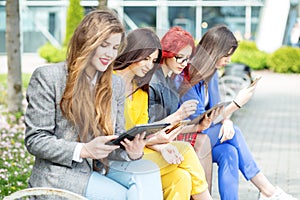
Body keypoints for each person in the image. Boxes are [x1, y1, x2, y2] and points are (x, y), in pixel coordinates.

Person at [24, 10, 163, 200]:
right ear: (86, 42)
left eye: (114, 48)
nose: (109, 54)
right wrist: (84, 150)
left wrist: (132, 151)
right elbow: (36, 140)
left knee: (149, 173)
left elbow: (117, 139)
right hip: (61, 174)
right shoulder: (49, 77)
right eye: (104, 45)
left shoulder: (115, 84)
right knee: (125, 196)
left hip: (102, 168)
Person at [180, 24, 297, 200]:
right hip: (187, 136)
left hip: (205, 135)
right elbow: (199, 120)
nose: (229, 60)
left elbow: (216, 109)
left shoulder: (211, 73)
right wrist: (237, 103)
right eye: (227, 55)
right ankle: (268, 191)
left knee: (230, 152)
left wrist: (226, 121)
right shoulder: (187, 75)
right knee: (237, 133)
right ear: (214, 50)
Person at [113, 27, 212, 200]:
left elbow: (144, 131)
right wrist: (161, 141)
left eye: (152, 60)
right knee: (187, 150)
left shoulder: (141, 91)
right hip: (117, 157)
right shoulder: (110, 83)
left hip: (139, 151)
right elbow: (118, 136)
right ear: (131, 53)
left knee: (181, 178)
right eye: (145, 58)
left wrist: (161, 145)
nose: (149, 65)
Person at [148, 26, 219, 193]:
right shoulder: (154, 82)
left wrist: (197, 127)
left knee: (202, 140)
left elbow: (168, 128)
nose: (184, 64)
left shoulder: (170, 80)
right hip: (151, 142)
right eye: (180, 58)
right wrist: (180, 115)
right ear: (167, 53)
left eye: (187, 59)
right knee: (199, 144)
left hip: (161, 138)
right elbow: (152, 128)